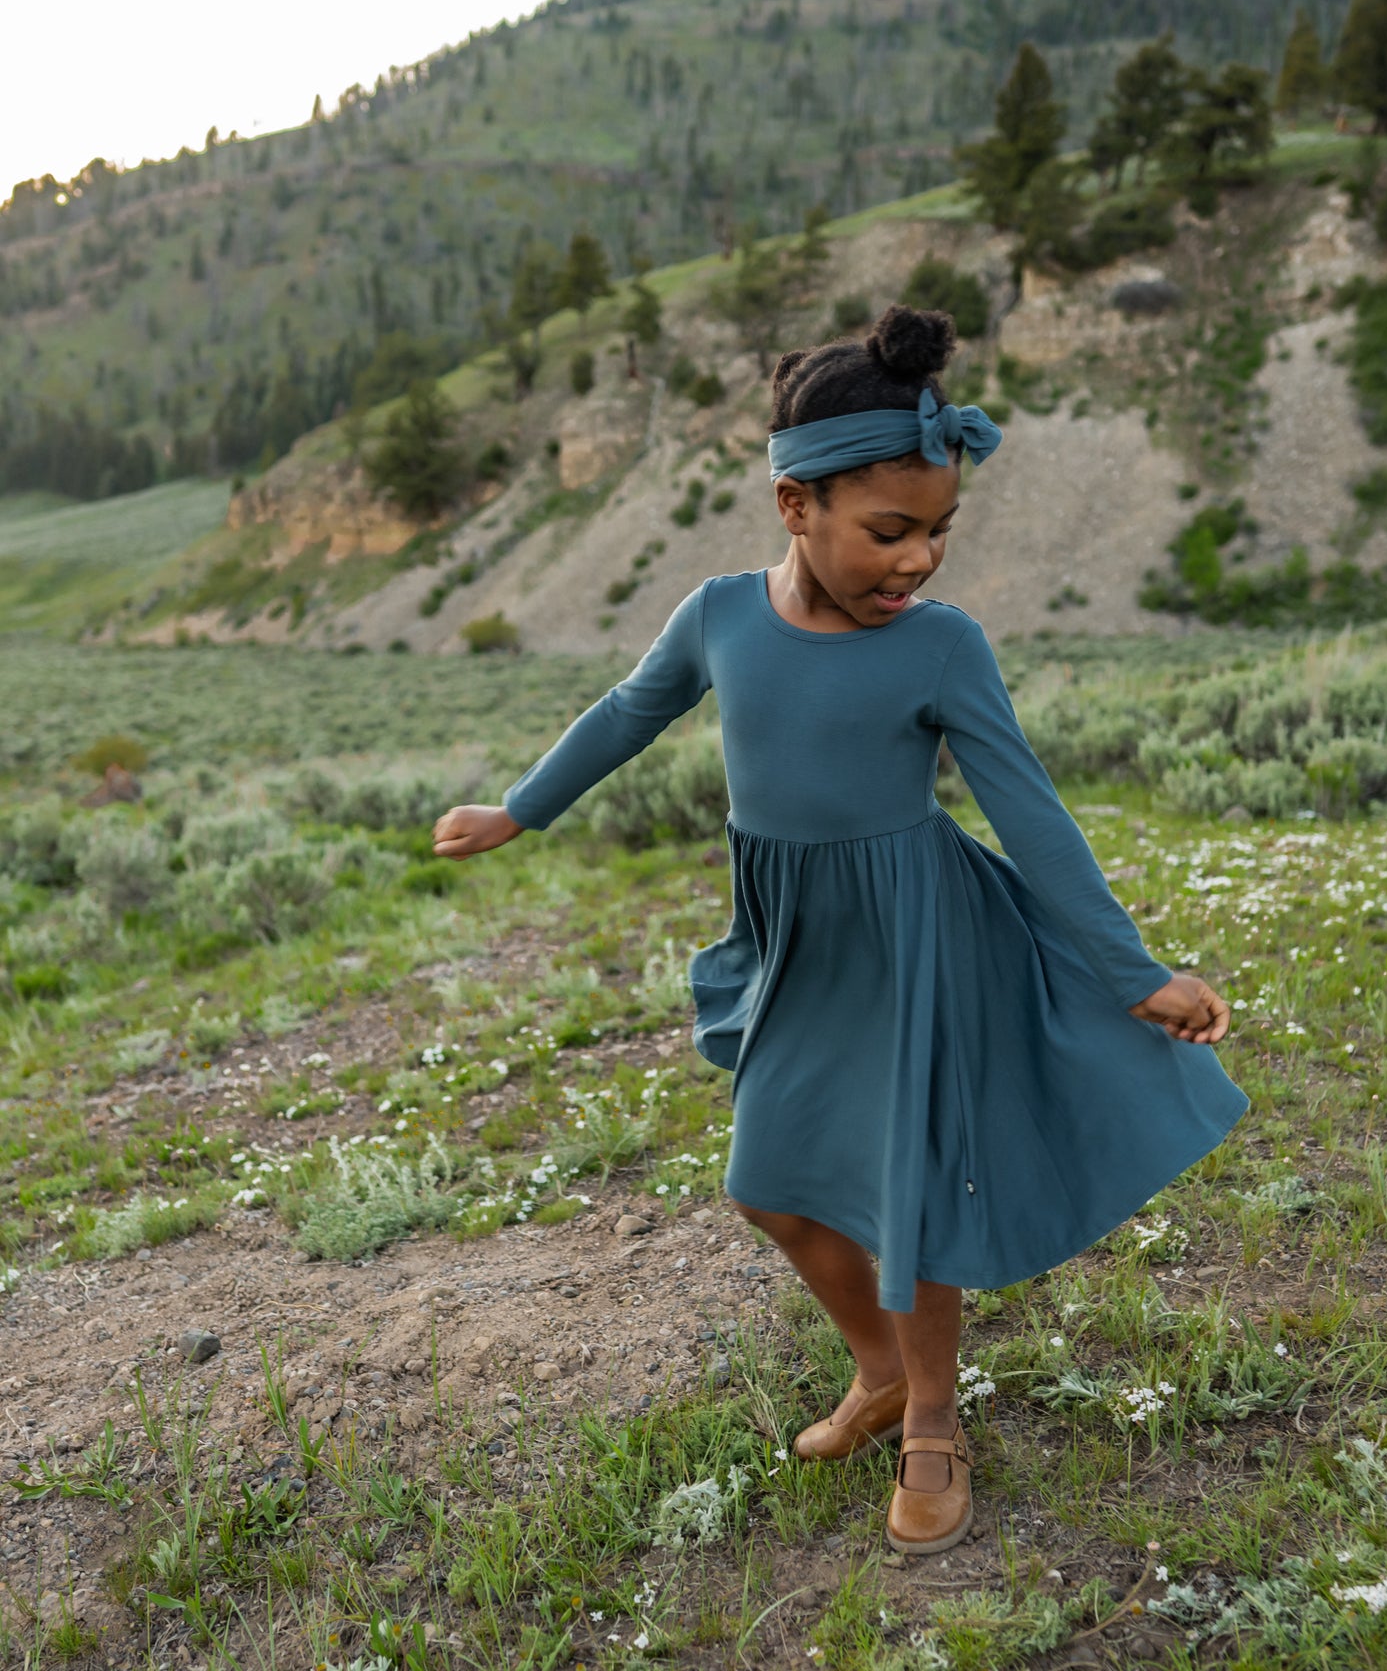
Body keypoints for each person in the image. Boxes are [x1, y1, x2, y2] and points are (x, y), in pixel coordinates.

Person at [431, 302, 1247, 1556]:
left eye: (939, 531)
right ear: (793, 505)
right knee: (769, 1187)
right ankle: (880, 1369)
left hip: (921, 938)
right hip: (800, 943)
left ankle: (933, 1420)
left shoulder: (942, 648)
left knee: (908, 1190)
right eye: (889, 532)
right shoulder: (720, 617)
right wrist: (520, 809)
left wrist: (1132, 972)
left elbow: (1032, 818)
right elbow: (626, 712)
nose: (919, 561)